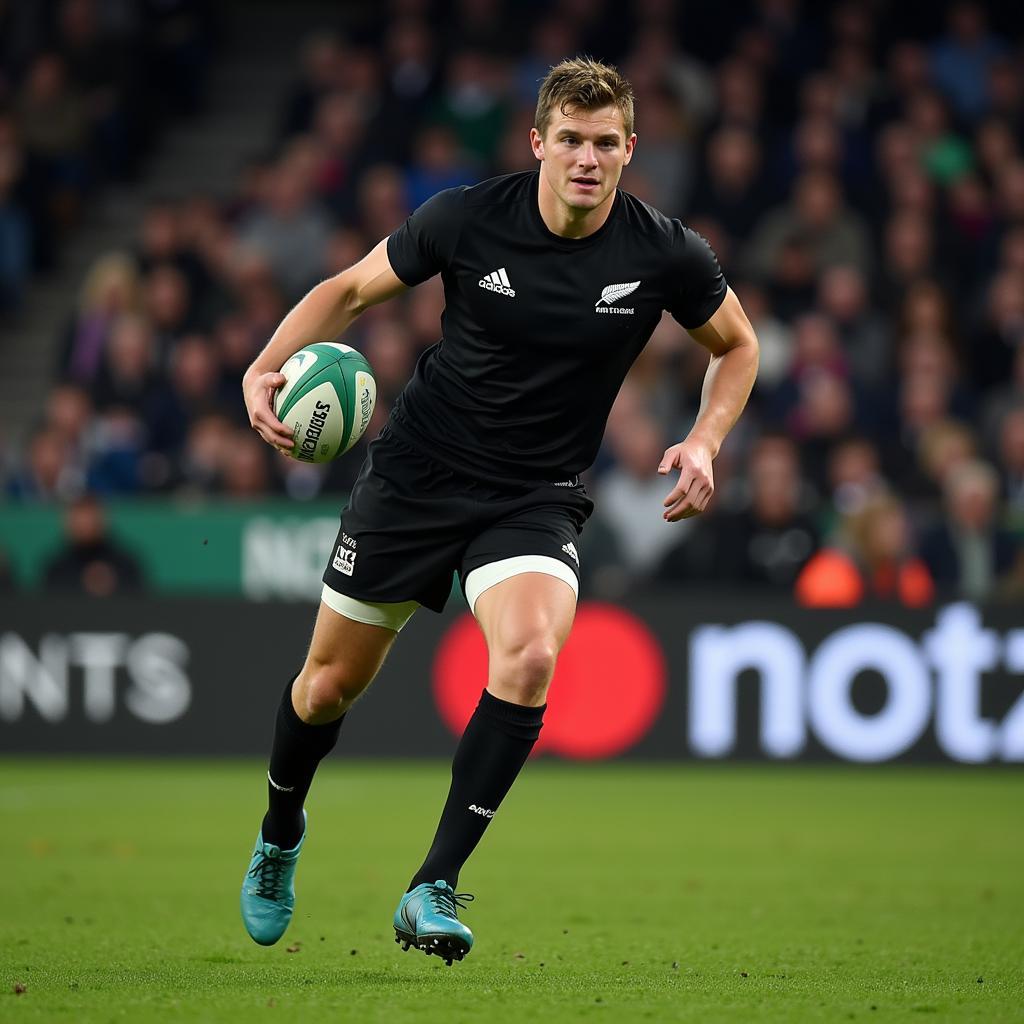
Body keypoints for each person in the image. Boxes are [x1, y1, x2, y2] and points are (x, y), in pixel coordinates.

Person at [238, 57, 758, 965]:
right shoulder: (467, 217)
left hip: (533, 495)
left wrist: (706, 438)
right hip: (416, 479)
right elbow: (351, 292)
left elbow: (738, 347)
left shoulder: (665, 251)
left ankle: (430, 885)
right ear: (538, 143)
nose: (587, 159)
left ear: (631, 150)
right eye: (570, 141)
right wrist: (263, 364)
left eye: (605, 144)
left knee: (531, 654)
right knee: (326, 688)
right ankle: (282, 832)